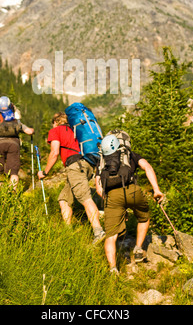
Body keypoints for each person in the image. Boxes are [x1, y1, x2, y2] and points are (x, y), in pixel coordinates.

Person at [95, 133, 164, 275]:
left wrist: (112, 202)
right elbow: (148, 168)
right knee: (144, 217)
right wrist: (156, 190)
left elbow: (98, 188)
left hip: (112, 196)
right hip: (132, 190)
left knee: (111, 235)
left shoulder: (102, 160)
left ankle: (113, 269)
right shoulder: (130, 155)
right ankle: (138, 249)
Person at [37, 112, 105, 244]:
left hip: (75, 167)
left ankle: (98, 230)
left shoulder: (56, 130)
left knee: (85, 198)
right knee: (64, 199)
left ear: (56, 122)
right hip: (88, 166)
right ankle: (67, 233)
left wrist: (45, 172)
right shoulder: (76, 130)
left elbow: (54, 152)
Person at [0, 96, 34, 189]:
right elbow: (29, 131)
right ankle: (12, 193)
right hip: (14, 145)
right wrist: (32, 130)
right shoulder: (15, 121)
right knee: (14, 172)